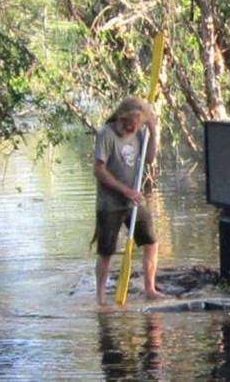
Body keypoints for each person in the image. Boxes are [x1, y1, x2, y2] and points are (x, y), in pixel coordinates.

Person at [91, 97, 166, 305]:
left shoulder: (141, 133)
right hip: (110, 204)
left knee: (151, 241)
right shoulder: (106, 134)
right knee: (106, 251)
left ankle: (150, 289)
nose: (133, 128)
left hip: (132, 203)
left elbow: (149, 159)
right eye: (130, 124)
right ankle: (101, 298)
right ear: (122, 118)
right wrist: (124, 190)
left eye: (138, 124)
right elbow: (98, 170)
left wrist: (153, 130)